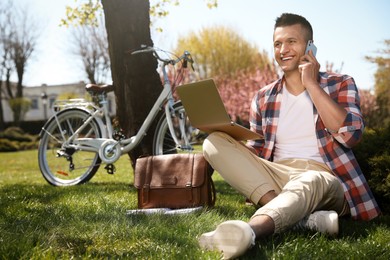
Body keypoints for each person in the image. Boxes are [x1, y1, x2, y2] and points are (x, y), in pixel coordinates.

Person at [198, 13, 381, 259]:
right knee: (213, 142)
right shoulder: (263, 97)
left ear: (310, 46)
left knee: (309, 181)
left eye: (291, 42)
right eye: (277, 43)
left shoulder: (340, 84)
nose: (283, 49)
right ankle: (301, 220)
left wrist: (312, 85)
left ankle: (249, 231)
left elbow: (350, 136)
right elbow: (258, 149)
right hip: (278, 175)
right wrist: (228, 146)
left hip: (324, 178)